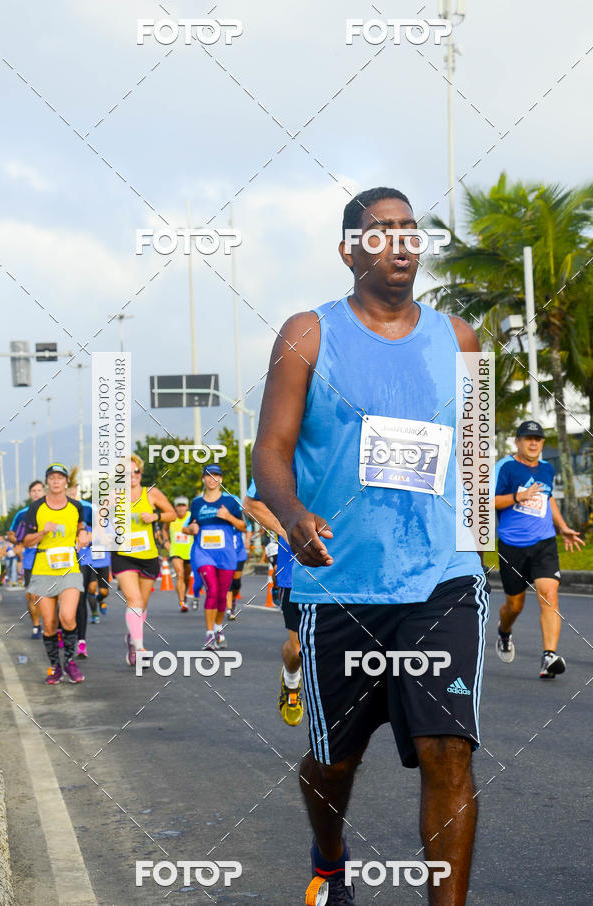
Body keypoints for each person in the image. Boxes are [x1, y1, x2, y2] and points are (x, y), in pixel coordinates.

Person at [252, 187, 489, 906]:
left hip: (443, 578)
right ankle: (330, 859)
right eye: (380, 230)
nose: (399, 241)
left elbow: (474, 457)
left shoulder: (460, 338)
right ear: (349, 249)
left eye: (410, 229)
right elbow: (270, 450)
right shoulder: (308, 335)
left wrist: (477, 551)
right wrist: (292, 515)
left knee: (448, 751)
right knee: (335, 764)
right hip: (341, 583)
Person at [494, 420, 584, 678]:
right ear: (518, 441)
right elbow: (485, 501)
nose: (533, 443)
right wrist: (515, 497)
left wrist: (563, 526)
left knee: (549, 594)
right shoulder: (505, 467)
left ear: (542, 443)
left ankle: (548, 657)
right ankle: (504, 631)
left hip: (544, 543)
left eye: (538, 439)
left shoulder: (546, 469)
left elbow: (548, 499)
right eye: (527, 438)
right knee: (515, 605)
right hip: (512, 546)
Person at [243, 480, 303, 726]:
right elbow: (251, 504)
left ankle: (341, 740)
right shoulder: (281, 448)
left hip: (345, 570)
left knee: (341, 654)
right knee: (299, 650)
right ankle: (291, 680)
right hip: (296, 573)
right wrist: (292, 531)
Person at [22, 463, 88, 684]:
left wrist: (83, 534)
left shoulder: (76, 506)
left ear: (66, 482)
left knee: (67, 617)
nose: (57, 481)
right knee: (49, 624)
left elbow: (81, 526)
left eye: (60, 477)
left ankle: (70, 662)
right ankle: (54, 666)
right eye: (52, 478)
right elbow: (26, 541)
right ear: (47, 482)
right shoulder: (36, 508)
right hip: (43, 569)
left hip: (69, 568)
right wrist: (43, 531)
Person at [112, 454, 175, 666]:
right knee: (134, 601)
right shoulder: (113, 496)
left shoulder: (152, 493)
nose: (132, 476)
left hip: (147, 555)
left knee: (142, 605)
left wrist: (155, 517)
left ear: (141, 473)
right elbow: (100, 522)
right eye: (126, 473)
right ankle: (140, 648)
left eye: (135, 471)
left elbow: (172, 514)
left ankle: (132, 638)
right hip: (123, 555)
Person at [183, 464, 245, 650]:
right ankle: (209, 634)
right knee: (212, 589)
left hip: (226, 555)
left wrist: (229, 517)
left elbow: (243, 526)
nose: (212, 479)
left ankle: (218, 628)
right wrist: (190, 529)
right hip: (203, 553)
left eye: (216, 475)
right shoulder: (197, 503)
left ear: (221, 479)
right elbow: (187, 527)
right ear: (203, 479)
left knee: (221, 594)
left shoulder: (231, 502)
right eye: (208, 475)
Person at [8, 479, 45, 638]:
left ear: (44, 492)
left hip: (51, 558)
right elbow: (11, 534)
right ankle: (36, 626)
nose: (37, 493)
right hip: (30, 559)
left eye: (39, 490)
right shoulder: (22, 513)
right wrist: (19, 542)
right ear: (30, 494)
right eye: (34, 491)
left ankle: (53, 625)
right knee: (32, 595)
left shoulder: (52, 510)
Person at [165, 496, 193, 612]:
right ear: (175, 507)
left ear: (187, 507)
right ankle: (182, 602)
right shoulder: (171, 517)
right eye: (178, 506)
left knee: (186, 577)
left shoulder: (191, 517)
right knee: (180, 574)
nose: (181, 508)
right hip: (175, 551)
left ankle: (184, 595)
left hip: (190, 552)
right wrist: (166, 541)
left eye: (183, 505)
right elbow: (164, 529)